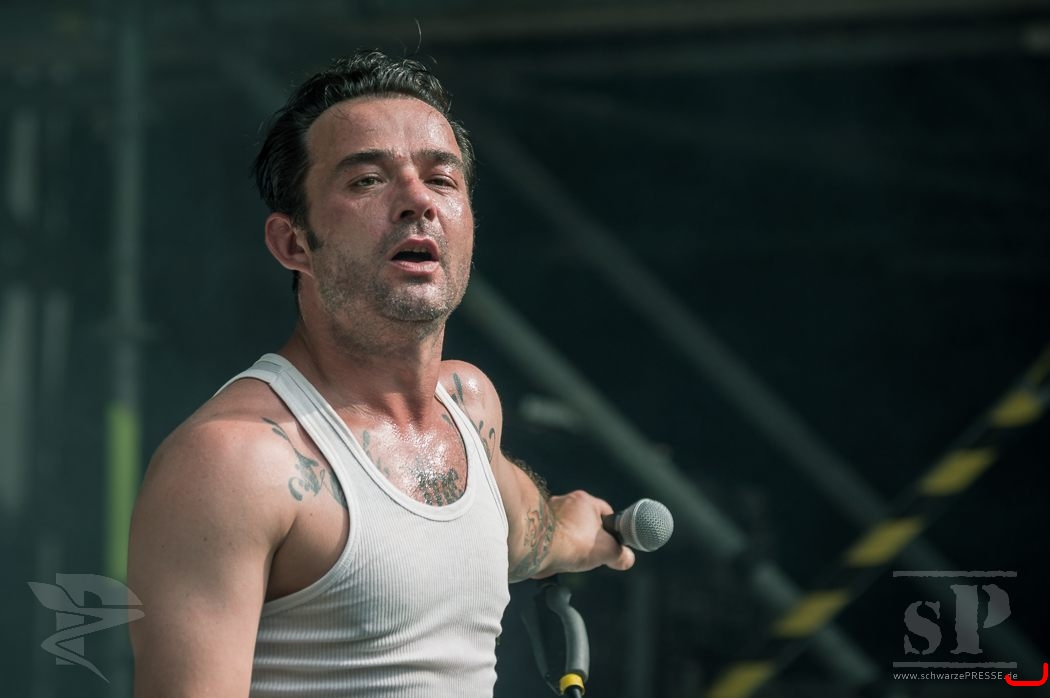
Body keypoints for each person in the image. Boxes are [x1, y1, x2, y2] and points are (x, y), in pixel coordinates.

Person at [127, 49, 634, 697]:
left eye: (442, 179)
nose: (417, 200)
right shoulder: (233, 464)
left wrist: (579, 531)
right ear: (293, 243)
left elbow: (526, 534)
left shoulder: (469, 405)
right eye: (367, 180)